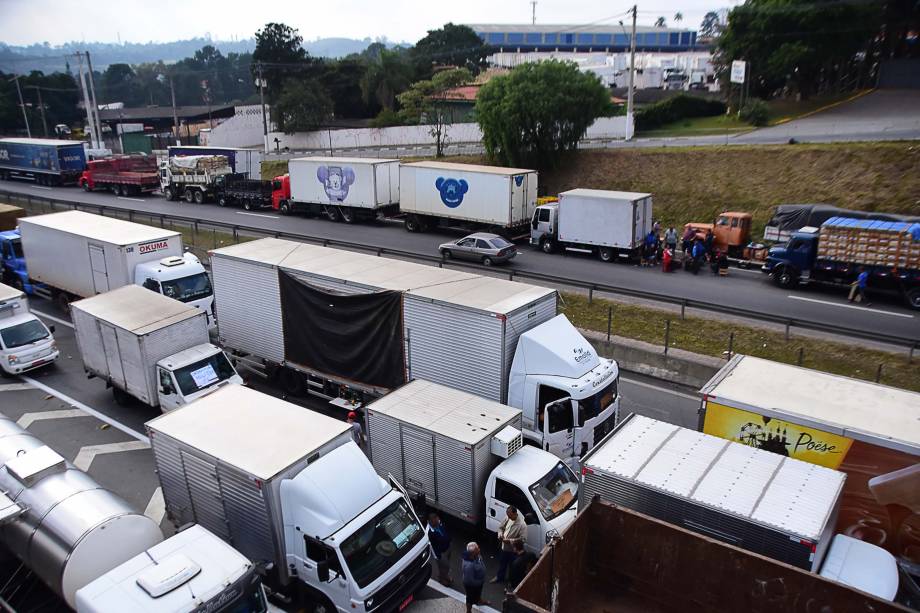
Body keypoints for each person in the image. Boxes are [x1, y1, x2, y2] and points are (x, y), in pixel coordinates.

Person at [493, 506, 526, 583]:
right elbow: (501, 528)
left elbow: (523, 539)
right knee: (502, 563)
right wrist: (500, 534)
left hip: (513, 550)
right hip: (504, 547)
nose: (508, 517)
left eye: (510, 515)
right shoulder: (507, 518)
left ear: (515, 514)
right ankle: (499, 577)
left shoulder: (522, 525)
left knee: (512, 567)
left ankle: (511, 582)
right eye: (507, 515)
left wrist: (510, 541)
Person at [428, 513, 452, 586]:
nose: (438, 521)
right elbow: (432, 546)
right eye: (435, 520)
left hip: (447, 547)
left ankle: (445, 576)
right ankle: (441, 579)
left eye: (437, 519)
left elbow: (446, 531)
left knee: (446, 565)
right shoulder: (430, 533)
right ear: (431, 522)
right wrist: (437, 556)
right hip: (440, 553)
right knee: (445, 566)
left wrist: (450, 540)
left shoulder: (440, 524)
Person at [462, 542, 487, 613]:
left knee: (478, 593)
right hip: (472, 586)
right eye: (477, 549)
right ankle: (468, 611)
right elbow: (469, 581)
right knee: (470, 599)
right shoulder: (469, 565)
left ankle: (479, 600)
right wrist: (480, 582)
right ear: (473, 553)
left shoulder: (477, 556)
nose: (479, 549)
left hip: (478, 582)